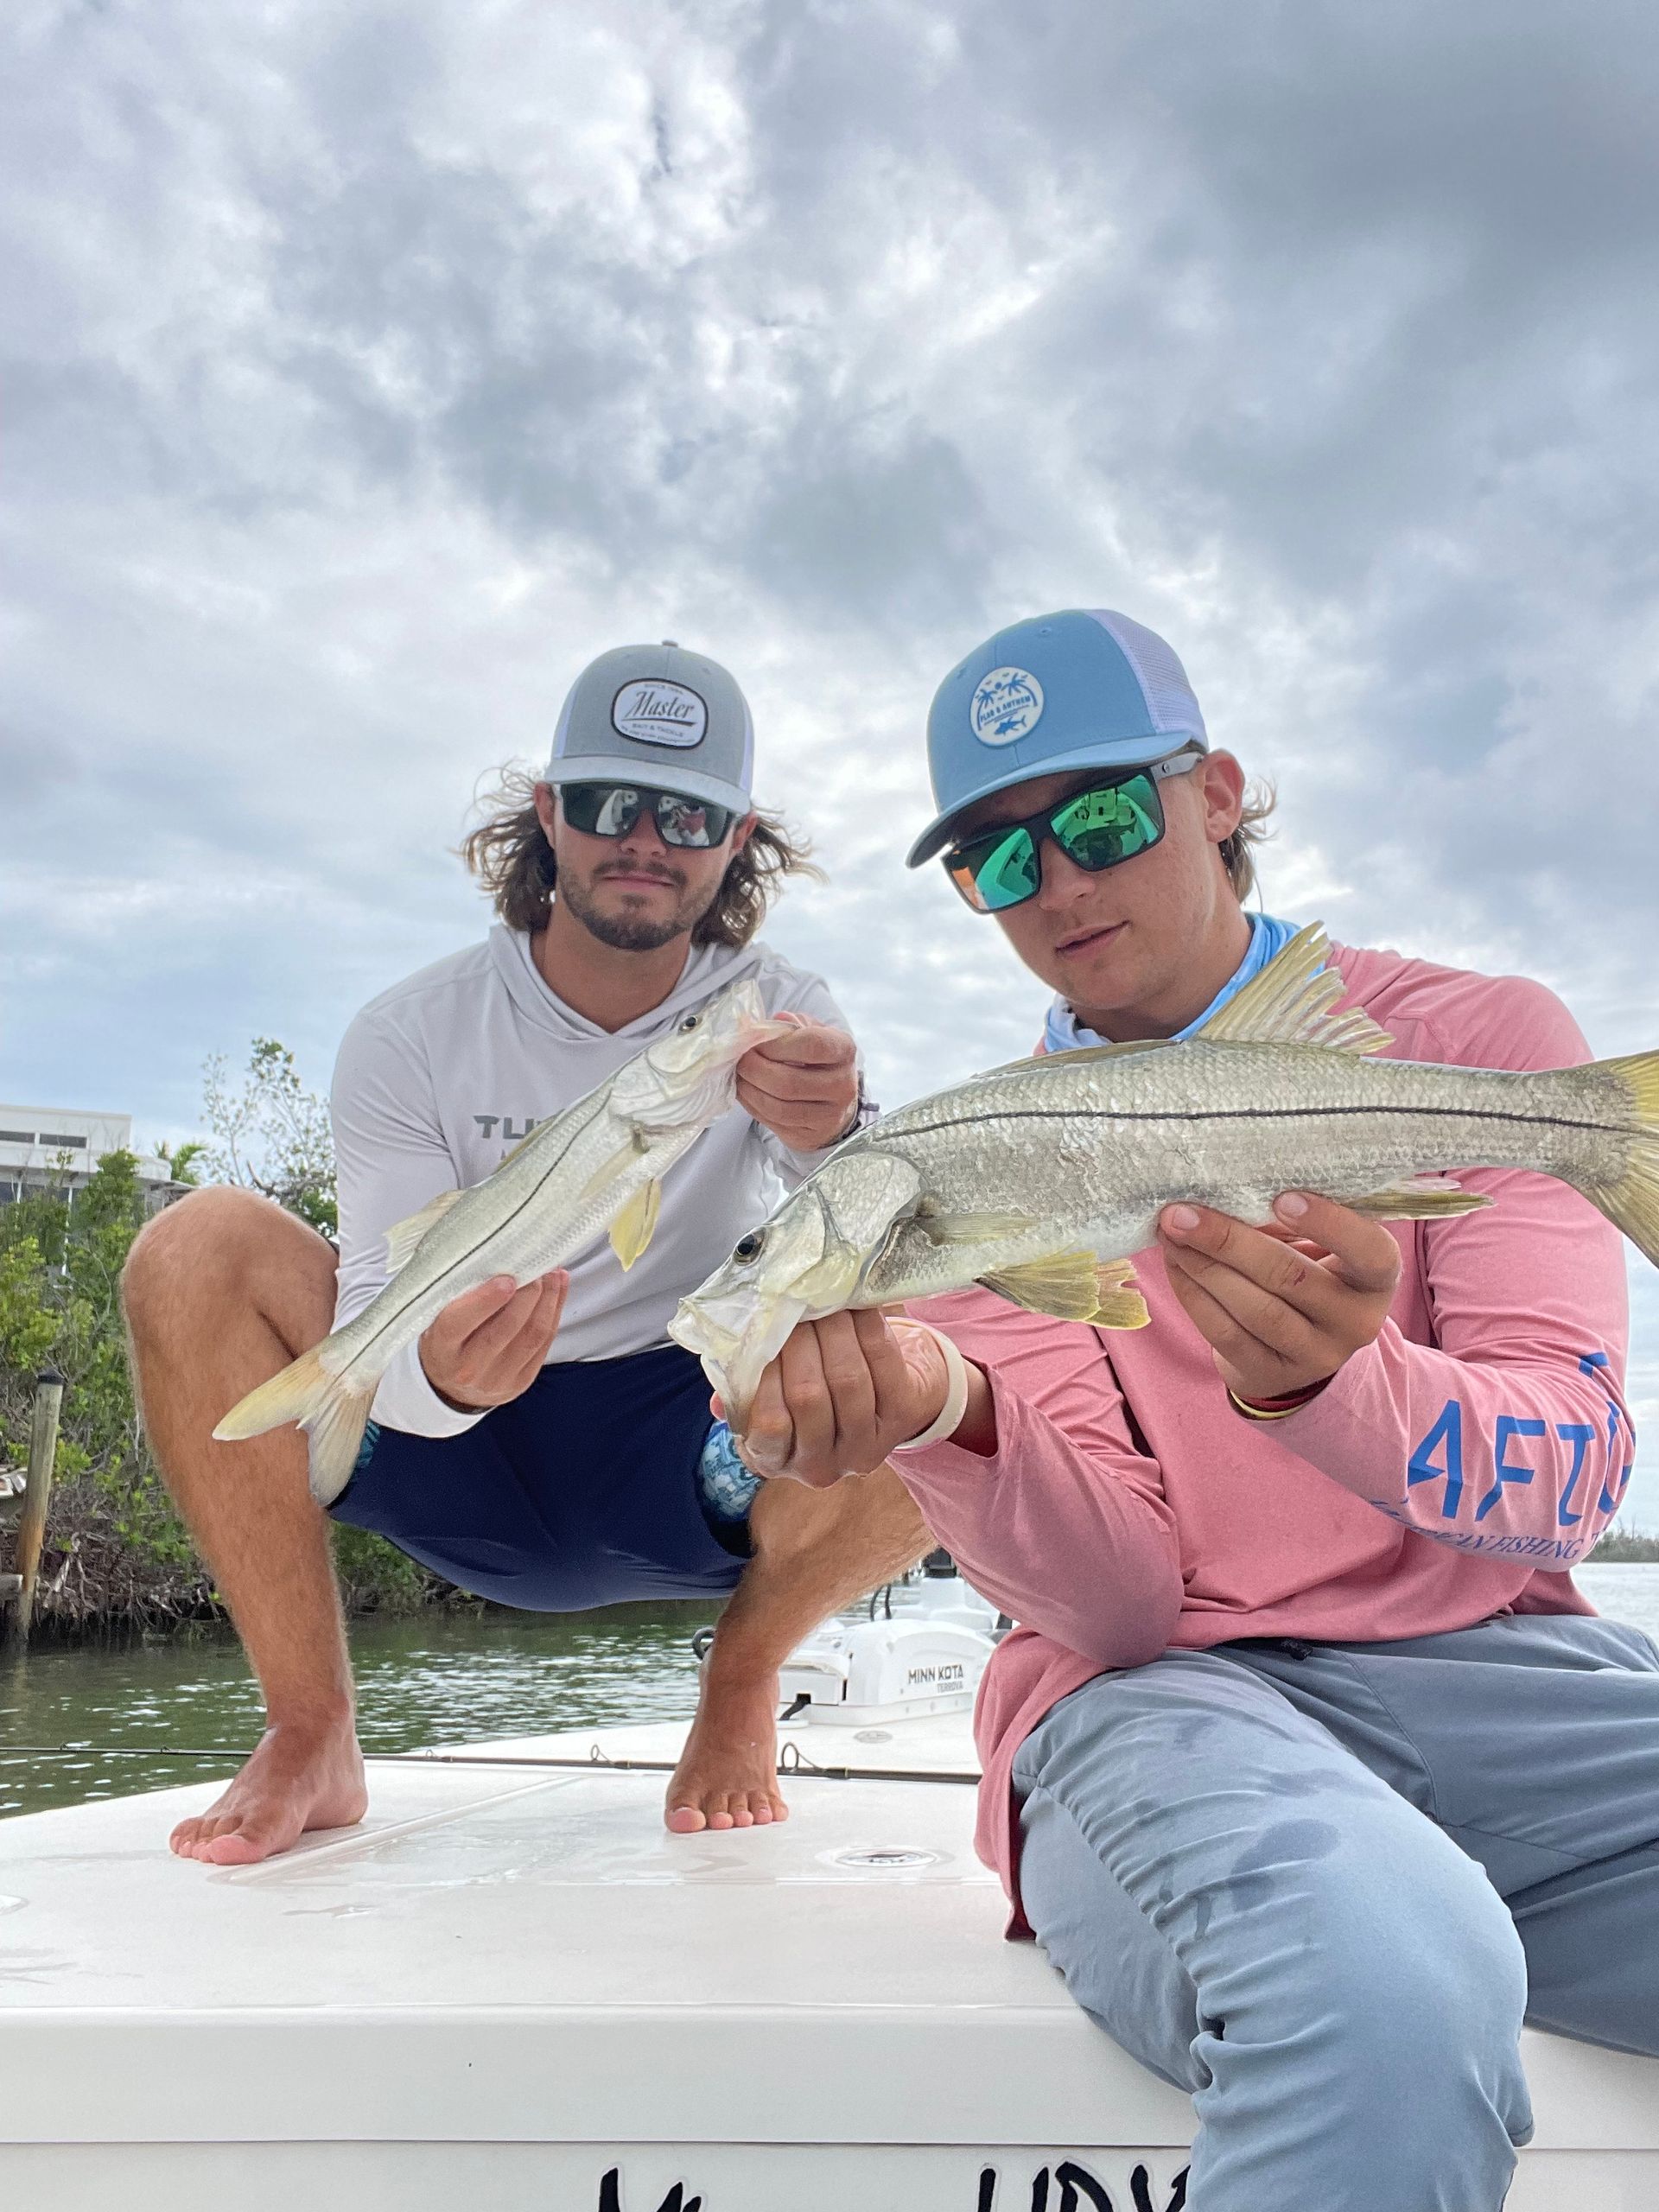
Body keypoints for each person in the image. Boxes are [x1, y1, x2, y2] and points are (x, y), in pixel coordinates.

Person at [721, 609, 1659, 2211]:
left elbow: (1569, 1488)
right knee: (1381, 1992)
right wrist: (953, 1410)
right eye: (998, 859)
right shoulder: (962, 1175)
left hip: (1505, 1680)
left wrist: (1335, 1388)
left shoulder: (1488, 1048)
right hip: (1154, 1705)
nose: (1058, 884)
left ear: (1217, 793)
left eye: (1100, 818)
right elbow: (1118, 1606)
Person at [122, 640, 928, 1866]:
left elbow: (871, 1252)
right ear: (547, 813)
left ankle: (744, 1679)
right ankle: (310, 1727)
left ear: (737, 839)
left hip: (694, 1441)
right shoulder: (410, 1031)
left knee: (953, 1343)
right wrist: (435, 1378)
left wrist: (837, 1138)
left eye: (687, 815)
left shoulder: (783, 1007)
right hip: (451, 1442)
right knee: (196, 1245)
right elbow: (384, 1291)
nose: (645, 841)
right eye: (608, 803)